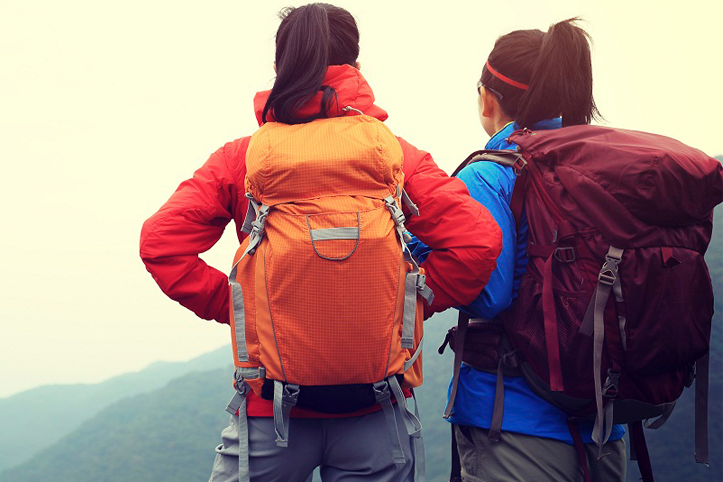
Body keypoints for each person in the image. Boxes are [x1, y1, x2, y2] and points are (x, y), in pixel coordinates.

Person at [139, 3, 502, 482]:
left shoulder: (243, 159)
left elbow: (161, 244)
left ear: (279, 68)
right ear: (354, 66)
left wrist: (243, 308)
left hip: (270, 415)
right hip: (378, 413)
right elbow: (477, 242)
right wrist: (407, 302)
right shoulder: (393, 156)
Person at [412, 19, 627, 482]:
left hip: (513, 423)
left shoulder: (488, 175)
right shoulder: (603, 165)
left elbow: (490, 295)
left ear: (489, 97)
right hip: (607, 425)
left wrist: (424, 259)